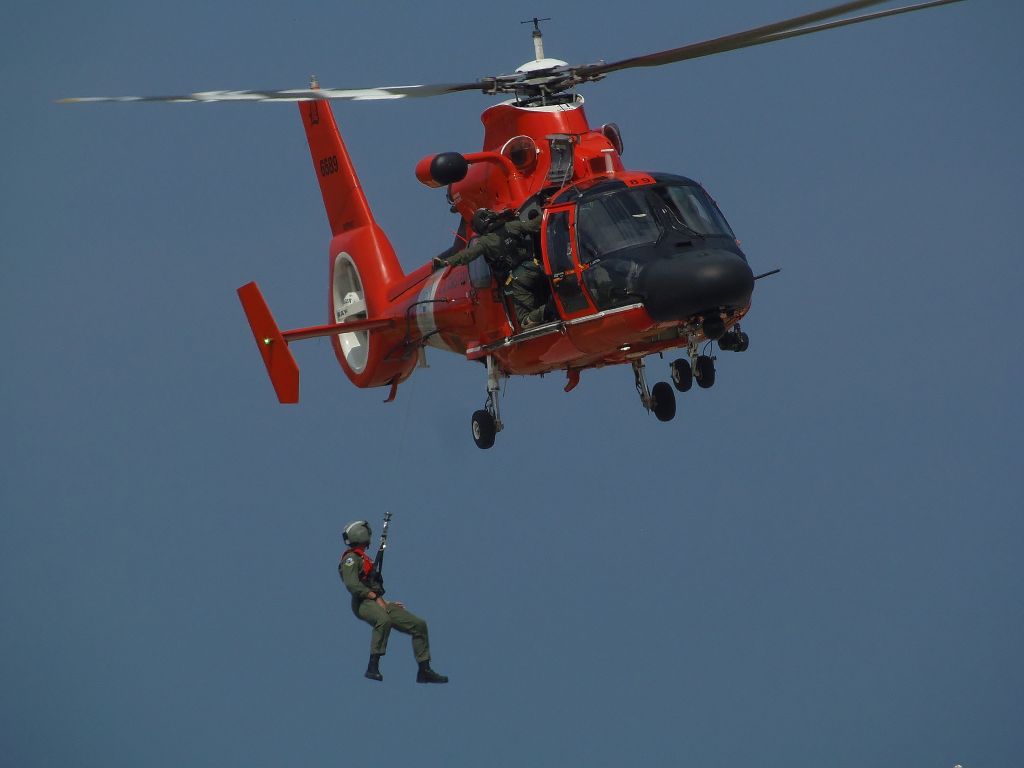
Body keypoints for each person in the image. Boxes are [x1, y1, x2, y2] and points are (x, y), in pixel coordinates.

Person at [338, 520, 448, 684]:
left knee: (419, 625)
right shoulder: (351, 559)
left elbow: (371, 586)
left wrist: (386, 602)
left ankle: (424, 669)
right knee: (383, 620)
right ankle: (372, 666)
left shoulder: (364, 559)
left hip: (377, 601)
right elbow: (352, 585)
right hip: (362, 602)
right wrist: (375, 598)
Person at [435, 207, 552, 329]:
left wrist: (447, 262)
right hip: (536, 267)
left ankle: (549, 308)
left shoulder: (485, 242)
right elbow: (534, 225)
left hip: (519, 279)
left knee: (524, 321)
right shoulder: (512, 226)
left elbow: (467, 255)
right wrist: (548, 209)